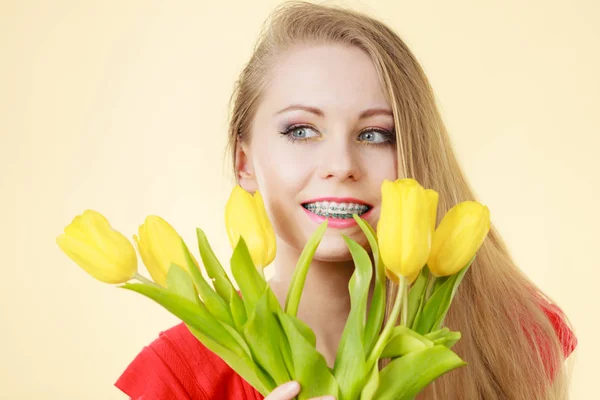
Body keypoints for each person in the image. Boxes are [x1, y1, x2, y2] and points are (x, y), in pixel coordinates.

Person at [115, 1, 577, 399]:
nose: (341, 164)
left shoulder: (511, 341)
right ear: (244, 162)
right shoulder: (180, 378)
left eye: (375, 134)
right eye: (301, 130)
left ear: (414, 151)